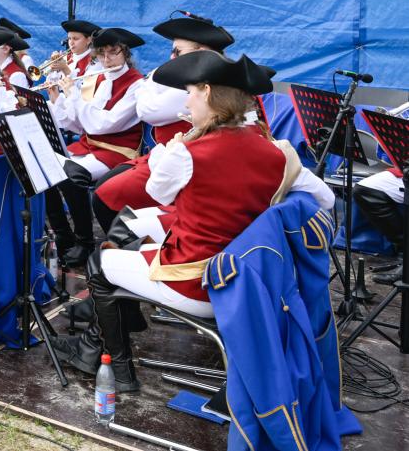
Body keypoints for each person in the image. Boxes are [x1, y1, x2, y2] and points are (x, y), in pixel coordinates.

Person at [53, 50, 333, 392]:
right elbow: (325, 199)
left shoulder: (187, 153)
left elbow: (159, 192)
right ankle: (103, 340)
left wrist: (177, 148)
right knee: (129, 237)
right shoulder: (281, 152)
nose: (187, 100)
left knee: (99, 263)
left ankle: (118, 370)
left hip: (194, 279)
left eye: (191, 92)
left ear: (208, 94)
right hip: (243, 278)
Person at [91, 14, 235, 235]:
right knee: (103, 189)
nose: (171, 56)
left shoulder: (202, 85)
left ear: (201, 52)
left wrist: (147, 87)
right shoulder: (185, 76)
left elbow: (148, 111)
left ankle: (131, 245)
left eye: (178, 51)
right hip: (163, 153)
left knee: (103, 197)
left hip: (181, 161)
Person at [47, 28, 145, 266]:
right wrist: (58, 99)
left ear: (125, 54)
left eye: (113, 53)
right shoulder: (100, 79)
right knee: (45, 167)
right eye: (101, 55)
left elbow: (104, 124)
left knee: (71, 176)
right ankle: (63, 234)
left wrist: (74, 94)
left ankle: (85, 241)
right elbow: (78, 124)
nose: (106, 60)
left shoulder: (137, 84)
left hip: (117, 151)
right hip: (90, 146)